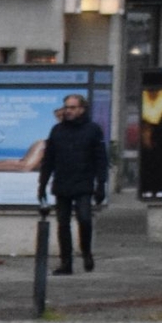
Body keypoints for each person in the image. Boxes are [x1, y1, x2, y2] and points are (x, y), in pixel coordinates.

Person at [38, 93, 109, 274]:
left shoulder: (92, 130)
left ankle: (86, 251)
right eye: (66, 107)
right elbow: (49, 159)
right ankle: (66, 262)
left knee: (84, 218)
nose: (68, 111)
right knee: (63, 224)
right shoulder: (57, 130)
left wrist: (101, 184)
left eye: (72, 107)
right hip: (62, 182)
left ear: (81, 109)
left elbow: (101, 158)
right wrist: (42, 184)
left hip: (83, 182)